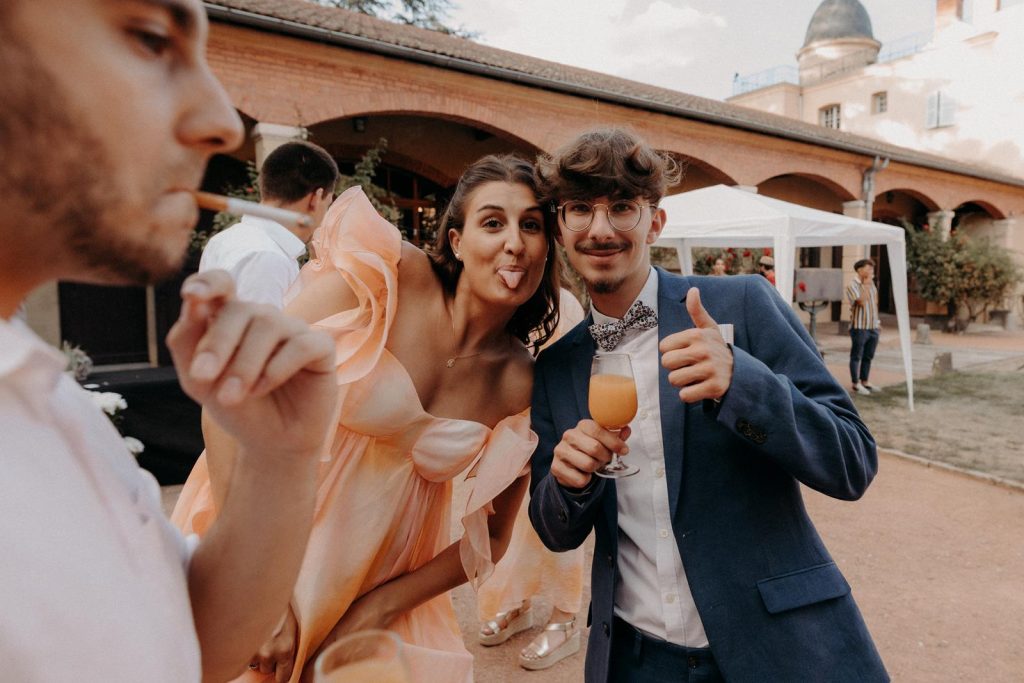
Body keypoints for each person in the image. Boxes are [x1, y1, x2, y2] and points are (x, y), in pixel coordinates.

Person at [0, 2, 338, 681]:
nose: (220, 122)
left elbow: (186, 640)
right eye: (152, 38)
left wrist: (282, 458)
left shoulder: (44, 393)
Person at [172, 154, 562, 682]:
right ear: (456, 241)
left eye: (531, 225)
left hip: (381, 597)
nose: (514, 241)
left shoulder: (523, 382)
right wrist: (253, 581)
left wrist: (375, 612)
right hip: (264, 542)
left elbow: (490, 540)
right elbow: (229, 402)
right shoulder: (385, 276)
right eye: (492, 222)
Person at [527, 128, 887, 682]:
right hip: (638, 661)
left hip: (777, 649)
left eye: (622, 207)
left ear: (655, 222)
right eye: (579, 209)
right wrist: (569, 483)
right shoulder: (557, 367)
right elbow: (554, 529)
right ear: (559, 225)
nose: (600, 230)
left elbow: (852, 462)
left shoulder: (741, 302)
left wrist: (744, 382)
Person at [477, 289, 587, 672]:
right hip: (505, 427)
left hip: (551, 424)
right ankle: (516, 603)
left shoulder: (563, 304)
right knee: (509, 521)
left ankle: (565, 617)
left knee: (557, 512)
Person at [200, 140, 339, 308]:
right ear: (315, 199)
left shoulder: (223, 240)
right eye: (328, 204)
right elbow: (259, 334)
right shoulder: (269, 258)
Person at [847, 258, 881, 395]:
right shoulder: (852, 285)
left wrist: (877, 323)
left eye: (872, 269)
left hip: (873, 326)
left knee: (868, 356)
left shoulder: (871, 284)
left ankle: (865, 381)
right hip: (859, 327)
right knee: (857, 356)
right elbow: (860, 302)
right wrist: (866, 284)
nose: (871, 271)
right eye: (868, 268)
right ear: (859, 270)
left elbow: (874, 303)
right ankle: (855, 383)